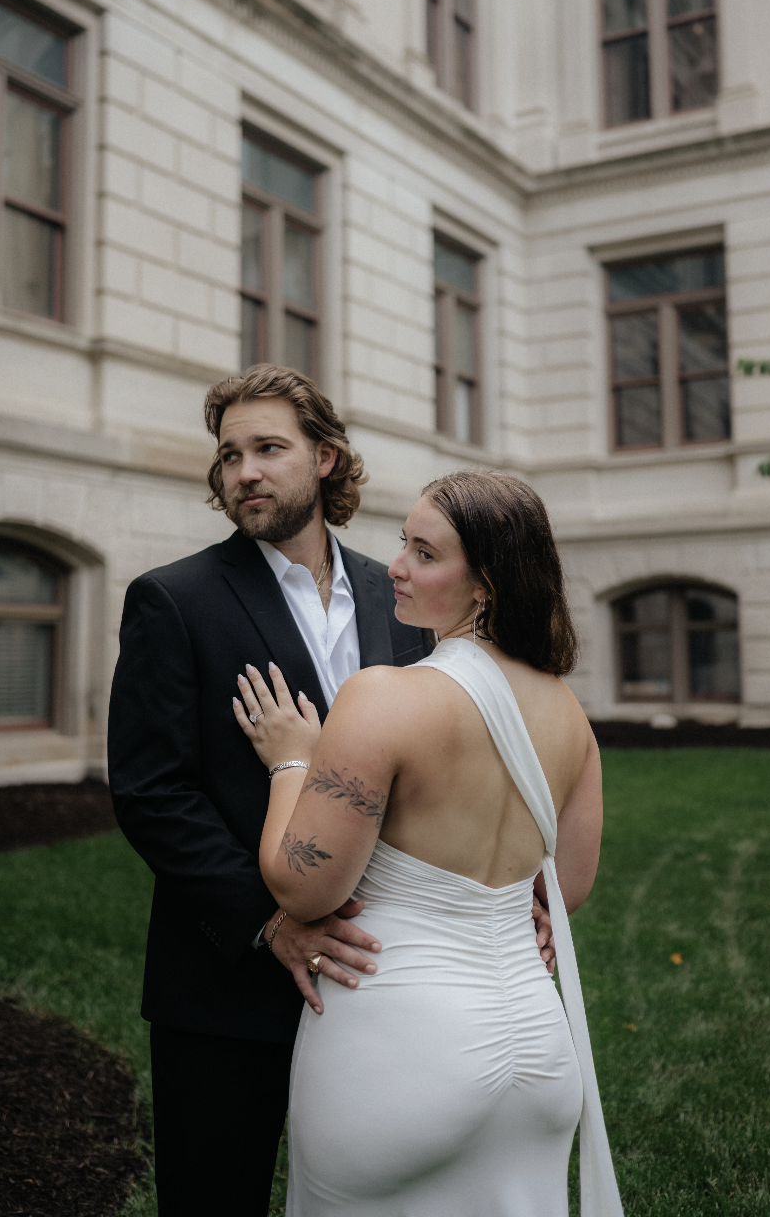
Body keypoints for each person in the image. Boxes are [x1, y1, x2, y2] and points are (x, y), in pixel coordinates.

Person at [232, 469, 624, 1217]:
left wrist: (291, 759)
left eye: (425, 553)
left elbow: (303, 887)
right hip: (541, 1055)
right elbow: (564, 890)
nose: (398, 569)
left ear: (487, 586)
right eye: (402, 544)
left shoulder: (385, 696)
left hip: (399, 1048)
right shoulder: (567, 710)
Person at [107, 366, 437, 1217]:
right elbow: (151, 793)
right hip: (225, 987)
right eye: (228, 456)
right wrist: (271, 923)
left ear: (325, 458)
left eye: (267, 449)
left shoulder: (395, 595)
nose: (244, 472)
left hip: (380, 972)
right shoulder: (172, 601)